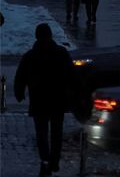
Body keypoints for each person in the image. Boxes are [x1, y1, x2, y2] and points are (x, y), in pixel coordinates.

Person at [13, 22, 74, 176]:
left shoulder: (30, 56)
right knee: (56, 132)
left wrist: (20, 93)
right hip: (57, 100)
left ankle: (45, 158)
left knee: (41, 132)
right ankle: (54, 159)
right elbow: (71, 76)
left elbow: (21, 77)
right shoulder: (61, 53)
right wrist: (72, 95)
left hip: (38, 99)